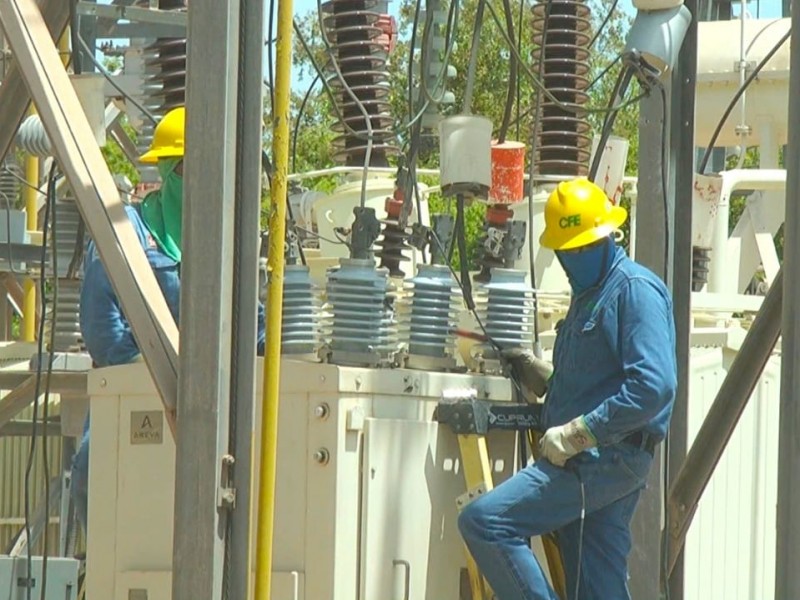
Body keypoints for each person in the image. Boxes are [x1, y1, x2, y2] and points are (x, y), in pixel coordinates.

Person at [458, 179, 677, 600]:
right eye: (567, 251)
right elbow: (598, 377)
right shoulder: (589, 295)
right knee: (596, 587)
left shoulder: (633, 290)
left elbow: (654, 386)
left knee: (487, 523)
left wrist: (580, 432)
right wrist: (547, 379)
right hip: (596, 459)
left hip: (601, 459)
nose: (574, 257)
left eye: (582, 247)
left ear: (608, 236)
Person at [72, 106, 266, 532]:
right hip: (134, 389)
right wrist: (146, 371)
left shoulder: (229, 239)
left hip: (218, 396)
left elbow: (254, 326)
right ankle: (99, 565)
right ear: (169, 170)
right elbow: (101, 327)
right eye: (186, 170)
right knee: (93, 465)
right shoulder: (127, 233)